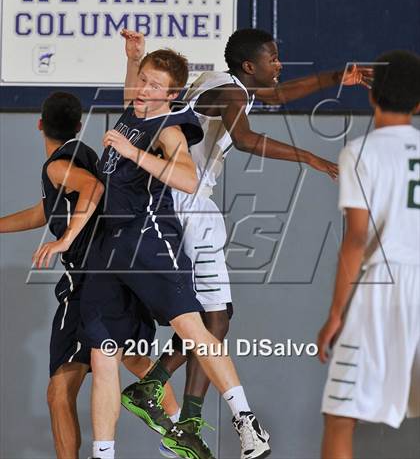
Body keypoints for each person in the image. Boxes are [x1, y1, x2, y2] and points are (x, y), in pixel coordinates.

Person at [120, 28, 371, 459]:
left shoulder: (223, 84)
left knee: (213, 320)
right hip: (185, 203)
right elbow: (247, 139)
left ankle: (165, 396)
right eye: (273, 58)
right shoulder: (230, 95)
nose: (279, 64)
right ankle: (168, 399)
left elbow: (276, 96)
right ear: (249, 66)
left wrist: (333, 78)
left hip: (180, 200)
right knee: (211, 321)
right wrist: (310, 157)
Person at [0, 92, 179, 459]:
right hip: (112, 274)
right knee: (127, 363)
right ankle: (182, 430)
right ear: (79, 125)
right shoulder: (81, 158)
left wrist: (66, 239)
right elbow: (45, 211)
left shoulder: (59, 165)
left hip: (89, 281)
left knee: (72, 386)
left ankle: (182, 430)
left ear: (39, 124)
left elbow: (91, 188)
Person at [317, 50, 420, 459]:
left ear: (372, 96)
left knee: (341, 415)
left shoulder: (361, 152)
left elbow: (356, 240)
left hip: (385, 284)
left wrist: (336, 313)